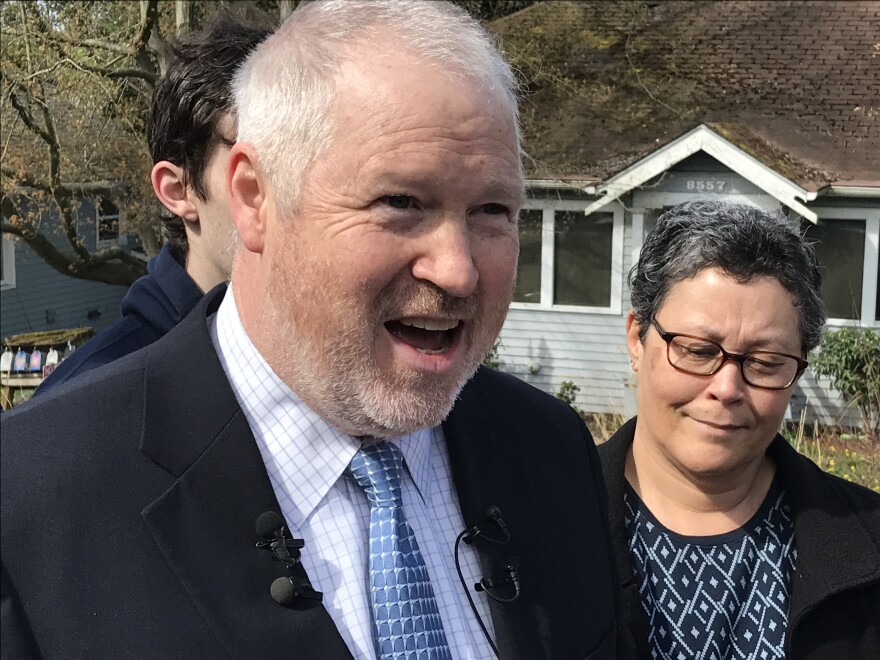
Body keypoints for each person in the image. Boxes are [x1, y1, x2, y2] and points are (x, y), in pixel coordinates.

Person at [1, 2, 621, 658]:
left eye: (493, 210)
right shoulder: (34, 502)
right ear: (253, 198)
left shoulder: (551, 453)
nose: (459, 271)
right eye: (400, 203)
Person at [599, 200, 880, 659]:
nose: (727, 388)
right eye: (697, 350)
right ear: (637, 338)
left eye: (766, 363)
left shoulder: (869, 545)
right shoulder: (536, 528)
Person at [36, 15, 270, 395]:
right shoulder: (92, 400)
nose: (295, 189)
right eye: (258, 162)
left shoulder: (341, 362)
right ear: (178, 191)